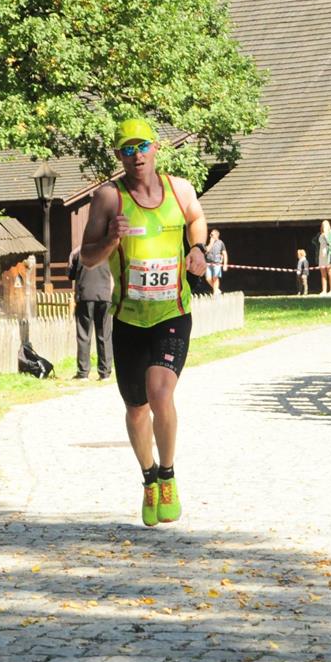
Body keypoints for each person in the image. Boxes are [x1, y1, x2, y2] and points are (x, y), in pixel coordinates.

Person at [79, 118, 208, 525]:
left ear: (156, 148)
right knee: (136, 408)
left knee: (160, 393)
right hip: (129, 318)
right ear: (119, 156)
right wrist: (110, 240)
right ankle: (149, 477)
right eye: (128, 149)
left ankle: (168, 475)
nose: (137, 156)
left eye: (143, 147)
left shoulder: (180, 189)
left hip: (172, 312)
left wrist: (198, 248)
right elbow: (87, 257)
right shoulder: (108, 198)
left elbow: (196, 218)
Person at [69, 246, 113, 380]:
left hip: (85, 294)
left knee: (84, 334)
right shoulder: (109, 250)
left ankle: (83, 373)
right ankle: (105, 373)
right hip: (105, 295)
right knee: (104, 334)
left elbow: (70, 275)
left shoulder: (78, 252)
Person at [315, 220, 331, 294]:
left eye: (325, 225)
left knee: (330, 272)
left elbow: (329, 241)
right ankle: (324, 290)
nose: (324, 226)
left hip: (329, 255)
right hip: (322, 256)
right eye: (323, 225)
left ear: (328, 225)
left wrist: (326, 233)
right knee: (323, 274)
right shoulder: (321, 234)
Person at [204, 229, 227, 295]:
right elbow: (206, 251)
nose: (210, 236)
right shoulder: (208, 242)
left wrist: (225, 264)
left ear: (216, 235)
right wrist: (211, 243)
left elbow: (224, 254)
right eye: (210, 234)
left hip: (217, 263)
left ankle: (215, 293)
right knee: (208, 278)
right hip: (208, 263)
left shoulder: (221, 243)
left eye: (212, 234)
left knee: (215, 278)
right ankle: (217, 289)